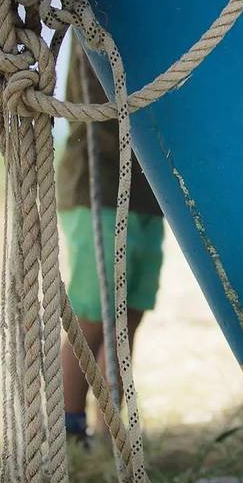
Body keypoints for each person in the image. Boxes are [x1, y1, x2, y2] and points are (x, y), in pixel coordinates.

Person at [57, 48, 165, 443]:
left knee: (128, 318)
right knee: (94, 317)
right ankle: (68, 427)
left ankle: (110, 435)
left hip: (149, 192)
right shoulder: (94, 17)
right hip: (97, 187)